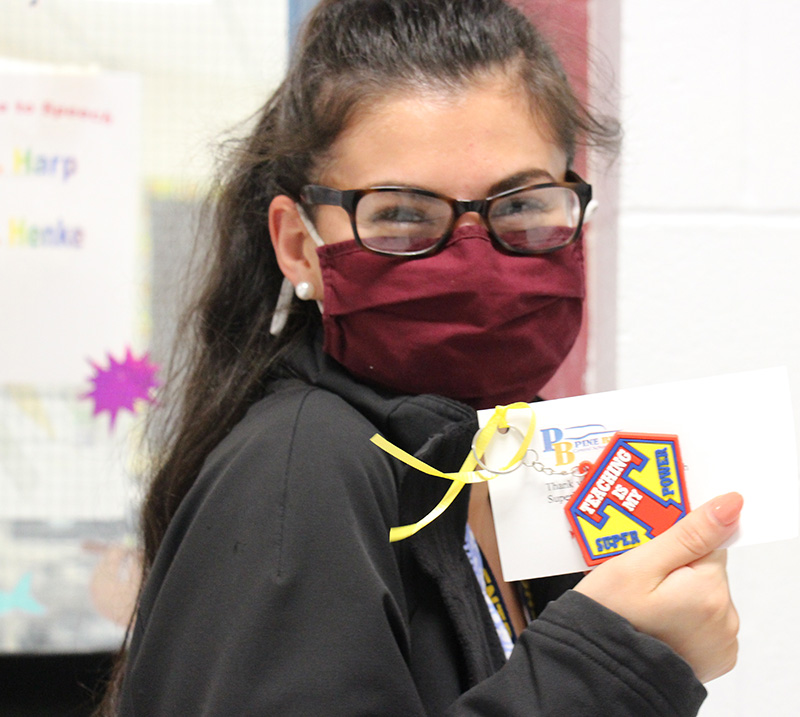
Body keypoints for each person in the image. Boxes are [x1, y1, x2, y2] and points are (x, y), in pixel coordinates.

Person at [102, 1, 742, 714]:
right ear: (298, 244)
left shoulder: (499, 458)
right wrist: (614, 663)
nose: (475, 254)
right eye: (402, 214)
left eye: (524, 203)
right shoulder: (300, 471)